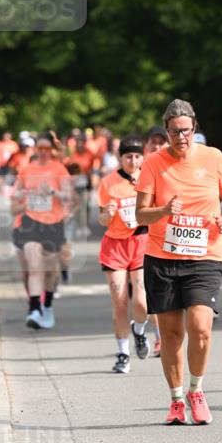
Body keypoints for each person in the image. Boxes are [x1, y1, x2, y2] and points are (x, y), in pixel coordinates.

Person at [136, 99, 222, 425]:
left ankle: (197, 390)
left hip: (205, 255)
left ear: (194, 128)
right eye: (175, 132)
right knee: (172, 334)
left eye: (187, 130)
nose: (181, 137)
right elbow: (140, 213)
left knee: (201, 328)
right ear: (166, 131)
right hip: (163, 256)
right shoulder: (153, 163)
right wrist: (164, 211)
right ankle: (177, 400)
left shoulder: (213, 157)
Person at [98, 134, 150, 374]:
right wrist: (108, 214)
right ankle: (123, 353)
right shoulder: (108, 183)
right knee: (119, 302)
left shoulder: (149, 179)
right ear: (120, 158)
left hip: (141, 243)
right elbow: (102, 220)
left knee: (141, 301)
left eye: (138, 156)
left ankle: (139, 331)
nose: (133, 160)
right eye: (128, 156)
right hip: (116, 246)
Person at [11, 131, 73, 329]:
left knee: (50, 272)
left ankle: (47, 306)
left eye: (47, 148)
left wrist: (52, 192)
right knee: (34, 266)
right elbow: (14, 199)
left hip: (54, 223)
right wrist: (25, 194)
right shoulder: (26, 170)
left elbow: (68, 195)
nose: (44, 152)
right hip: (30, 223)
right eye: (40, 148)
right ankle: (34, 309)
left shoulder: (60, 169)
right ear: (35, 149)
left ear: (52, 150)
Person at [143, 125, 170, 353]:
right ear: (147, 145)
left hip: (163, 235)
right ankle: (156, 333)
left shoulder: (172, 167)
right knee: (144, 296)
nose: (158, 146)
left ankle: (162, 336)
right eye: (154, 142)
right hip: (137, 234)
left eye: (162, 142)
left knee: (157, 292)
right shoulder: (137, 166)